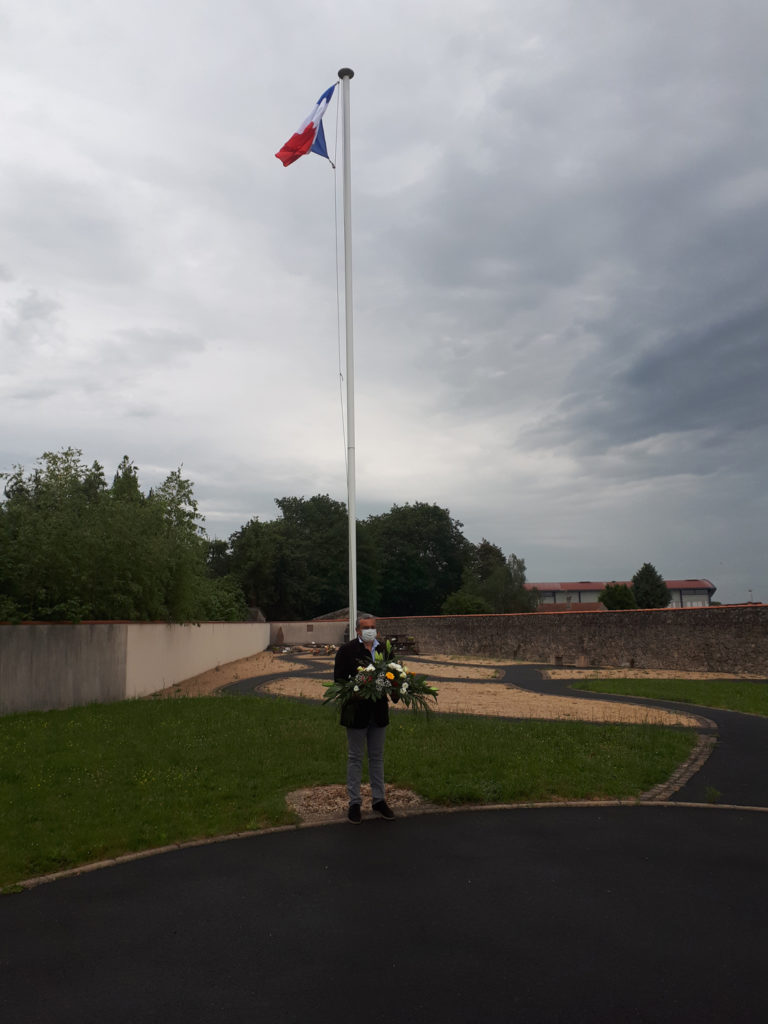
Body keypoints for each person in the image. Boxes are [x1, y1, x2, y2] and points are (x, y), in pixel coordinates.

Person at [333, 615, 398, 823]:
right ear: (357, 630)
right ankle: (354, 802)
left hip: (378, 712)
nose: (370, 630)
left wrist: (398, 690)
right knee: (355, 758)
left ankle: (379, 800)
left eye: (373, 627)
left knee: (377, 757)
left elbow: (393, 675)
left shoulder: (384, 650)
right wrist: (356, 691)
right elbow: (339, 681)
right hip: (356, 712)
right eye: (365, 627)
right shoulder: (347, 651)